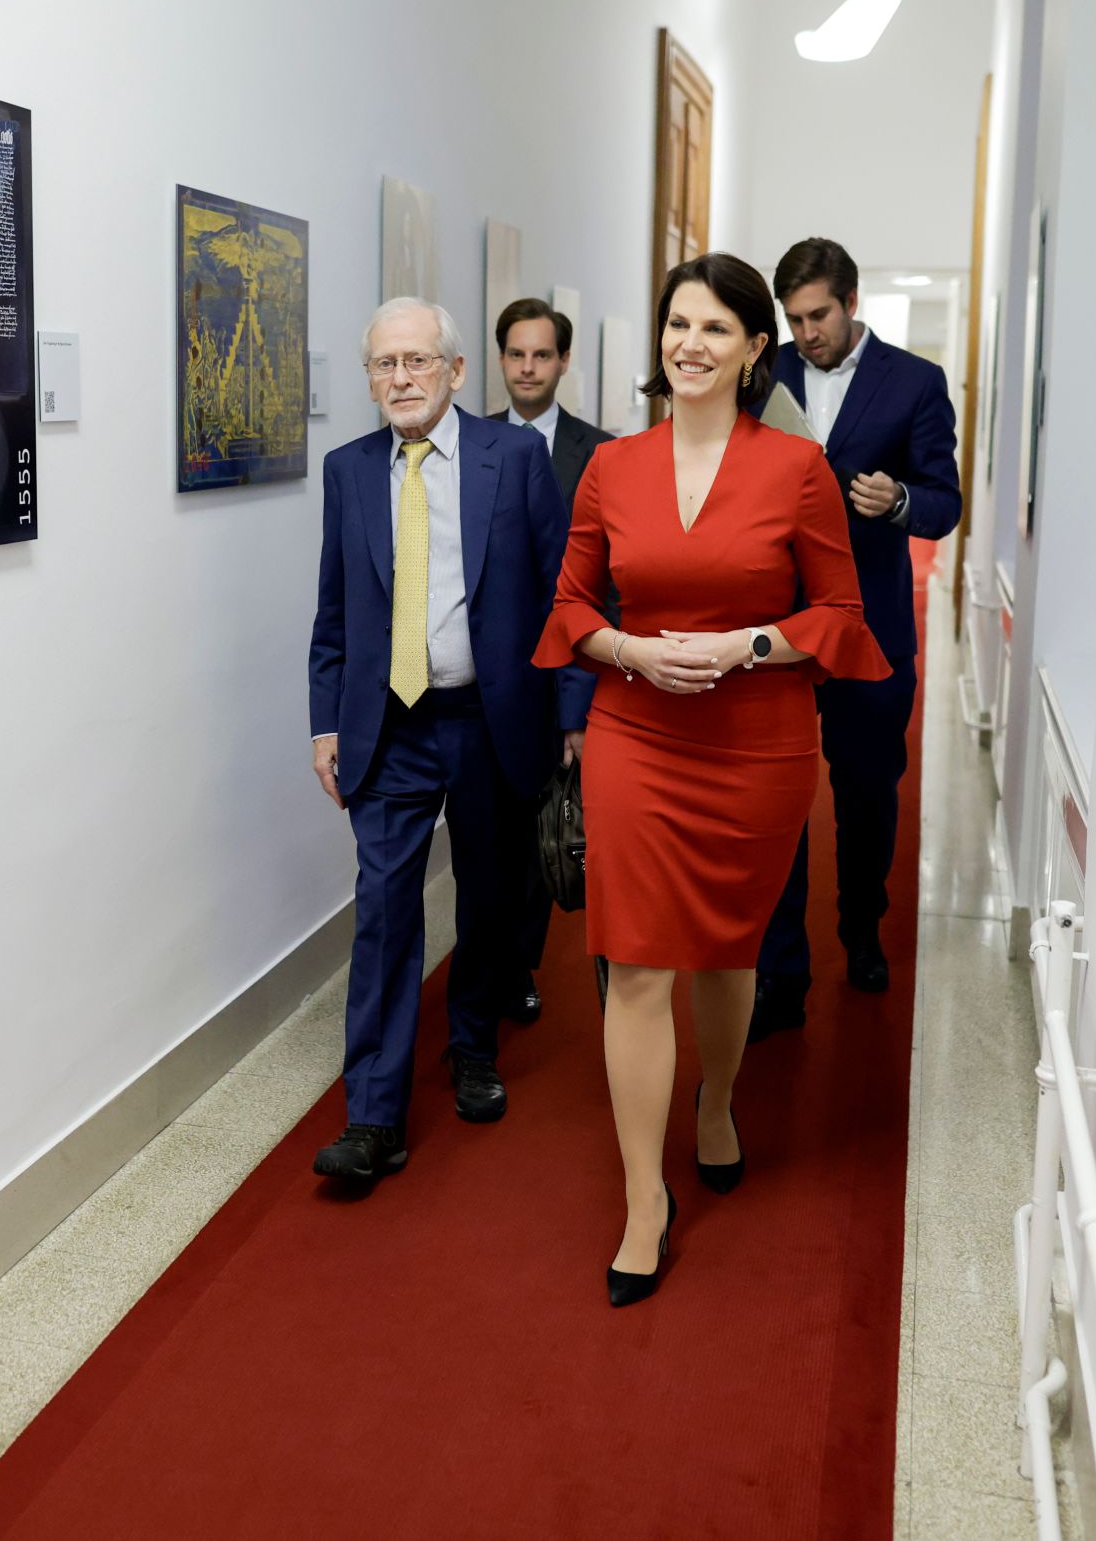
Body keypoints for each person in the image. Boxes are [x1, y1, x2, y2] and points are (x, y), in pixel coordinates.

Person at [533, 254, 888, 1304]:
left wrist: (747, 644)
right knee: (637, 963)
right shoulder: (612, 468)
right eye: (677, 323)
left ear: (752, 349)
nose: (690, 344)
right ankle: (644, 1197)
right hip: (635, 734)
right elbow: (569, 605)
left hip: (754, 742)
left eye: (715, 328)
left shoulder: (798, 469)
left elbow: (839, 614)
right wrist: (631, 652)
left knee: (729, 949)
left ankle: (718, 1099)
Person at [308, 297, 571, 1188]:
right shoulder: (348, 471)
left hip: (489, 719)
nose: (402, 378)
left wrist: (571, 715)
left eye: (418, 360)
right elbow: (335, 609)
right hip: (389, 727)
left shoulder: (515, 458)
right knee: (384, 910)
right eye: (385, 364)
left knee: (488, 897)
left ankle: (471, 1045)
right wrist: (325, 720)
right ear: (369, 379)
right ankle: (373, 1115)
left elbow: (559, 591)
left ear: (456, 371)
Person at [749, 239, 963, 1039]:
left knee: (867, 791)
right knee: (777, 798)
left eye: (819, 316)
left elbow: (944, 502)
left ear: (851, 301)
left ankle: (862, 927)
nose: (807, 333)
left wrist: (899, 499)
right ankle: (782, 970)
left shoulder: (915, 381)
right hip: (776, 622)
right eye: (795, 319)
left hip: (871, 625)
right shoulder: (763, 375)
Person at [489, 297, 612, 1021]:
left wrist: (581, 703)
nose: (528, 368)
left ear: (564, 361)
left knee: (542, 830)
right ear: (500, 359)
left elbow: (605, 584)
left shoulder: (601, 453)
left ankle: (519, 965)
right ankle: (493, 960)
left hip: (557, 672)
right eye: (516, 354)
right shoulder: (470, 441)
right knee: (489, 836)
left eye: (542, 355)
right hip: (487, 676)